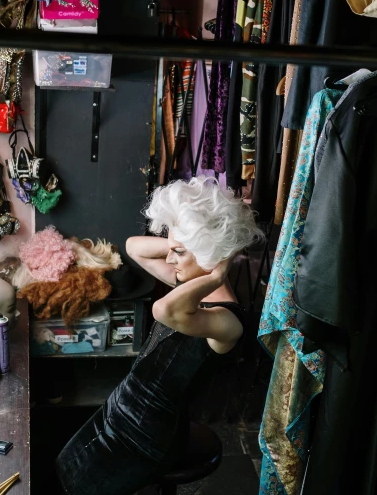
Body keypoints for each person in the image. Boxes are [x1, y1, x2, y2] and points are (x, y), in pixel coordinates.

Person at [56, 176, 264, 494]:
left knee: (81, 487)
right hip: (122, 407)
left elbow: (164, 311)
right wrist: (181, 244)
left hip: (150, 435)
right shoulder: (187, 279)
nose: (169, 258)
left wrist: (217, 271)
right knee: (63, 467)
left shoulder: (227, 321)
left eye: (178, 252)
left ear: (209, 255)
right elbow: (132, 247)